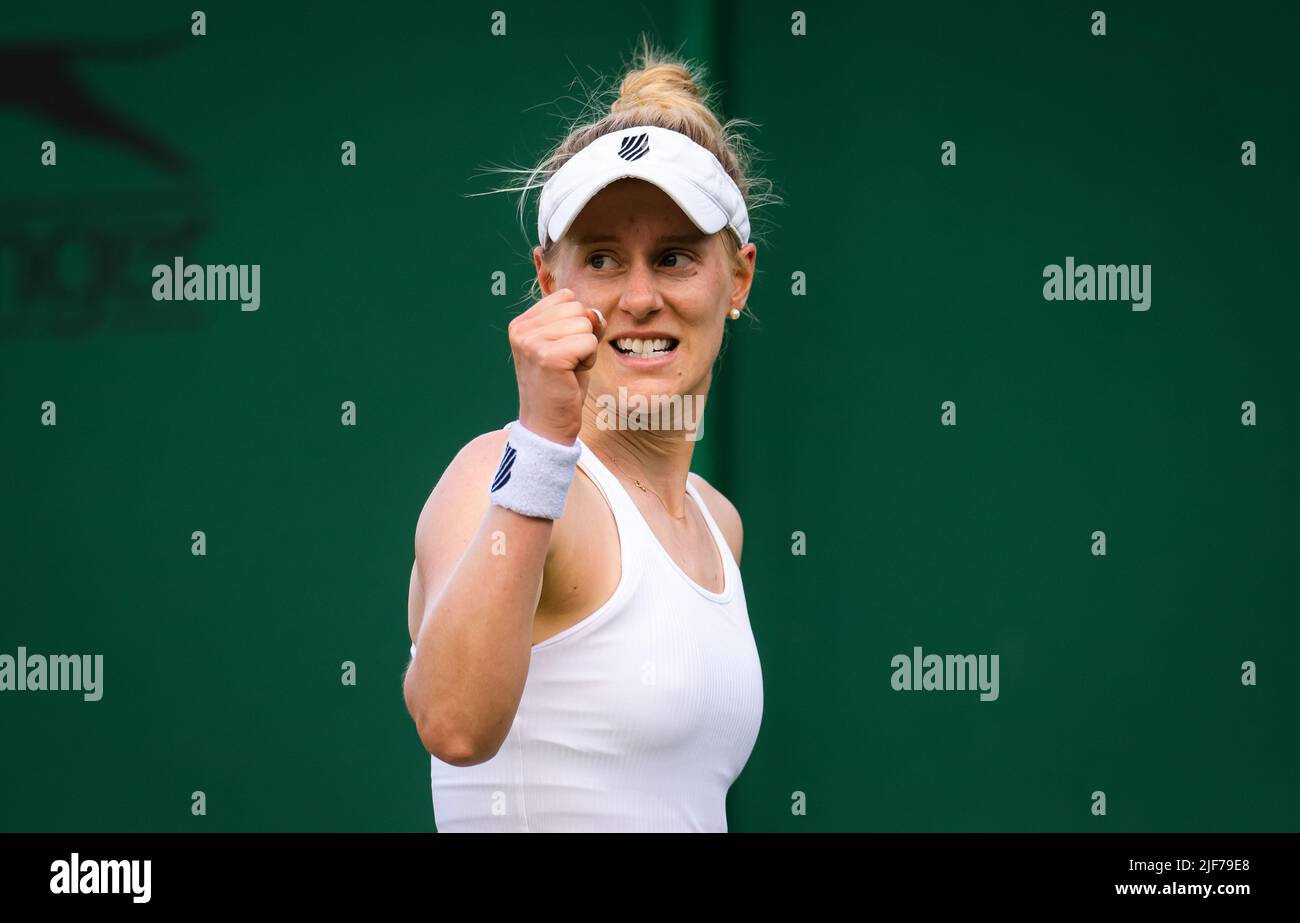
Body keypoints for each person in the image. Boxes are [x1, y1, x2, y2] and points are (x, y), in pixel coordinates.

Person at [402, 37, 777, 832]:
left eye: (674, 257)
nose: (640, 297)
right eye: (602, 258)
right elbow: (454, 724)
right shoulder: (498, 473)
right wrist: (541, 438)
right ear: (548, 280)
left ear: (737, 277)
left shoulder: (719, 522)